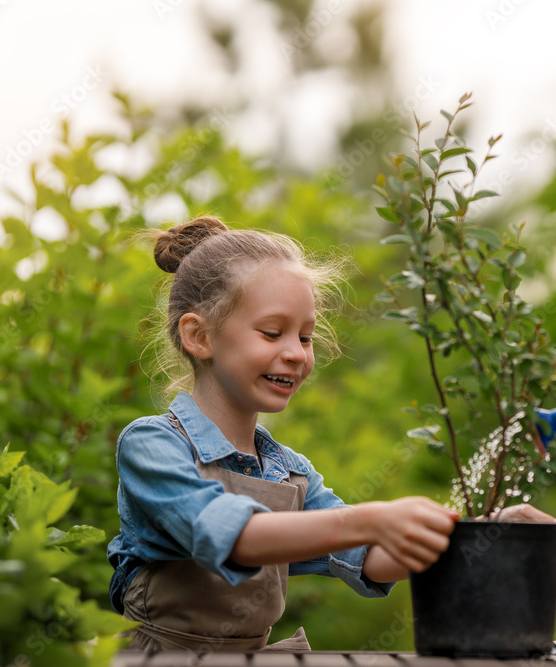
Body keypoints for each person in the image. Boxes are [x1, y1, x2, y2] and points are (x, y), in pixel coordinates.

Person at [106, 216, 459, 653]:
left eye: (306, 337)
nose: (295, 353)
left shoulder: (289, 471)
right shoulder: (152, 446)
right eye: (273, 333)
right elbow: (235, 538)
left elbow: (367, 558)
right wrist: (372, 518)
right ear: (198, 336)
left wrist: (458, 532)